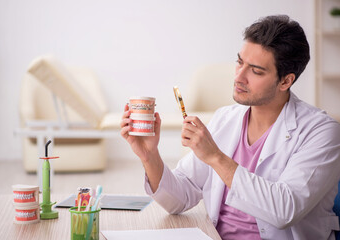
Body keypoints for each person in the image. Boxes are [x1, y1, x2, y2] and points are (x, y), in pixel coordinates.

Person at [120, 15, 340, 240]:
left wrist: (215, 156)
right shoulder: (226, 118)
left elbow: (284, 210)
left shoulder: (322, 132)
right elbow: (179, 198)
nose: (238, 76)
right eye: (239, 62)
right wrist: (149, 156)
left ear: (285, 81)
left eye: (255, 71)